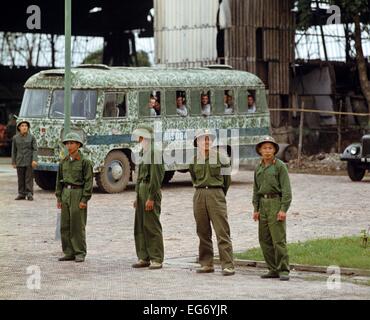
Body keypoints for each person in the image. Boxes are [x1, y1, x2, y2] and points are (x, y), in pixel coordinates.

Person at [189, 129, 235, 276]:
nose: (206, 142)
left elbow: (227, 181)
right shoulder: (194, 160)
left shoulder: (222, 158)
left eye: (209, 139)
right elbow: (194, 177)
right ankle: (206, 263)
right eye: (203, 139)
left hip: (216, 194)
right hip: (200, 194)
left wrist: (219, 194)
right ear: (197, 142)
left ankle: (228, 265)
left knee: (222, 231)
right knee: (202, 231)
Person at [252, 135, 292, 281]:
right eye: (264, 148)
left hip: (276, 203)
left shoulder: (280, 166)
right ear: (260, 151)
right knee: (264, 239)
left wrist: (283, 209)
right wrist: (256, 209)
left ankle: (283, 269)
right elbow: (256, 189)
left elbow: (287, 191)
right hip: (263, 204)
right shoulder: (259, 167)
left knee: (278, 239)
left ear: (275, 150)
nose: (267, 151)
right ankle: (272, 269)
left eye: (270, 148)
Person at [55, 132, 93, 263]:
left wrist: (84, 199)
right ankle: (68, 252)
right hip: (66, 193)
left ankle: (80, 252)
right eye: (67, 143)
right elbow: (59, 180)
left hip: (78, 193)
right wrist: (59, 198)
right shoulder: (64, 162)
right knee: (65, 225)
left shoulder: (85, 162)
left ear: (78, 145)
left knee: (77, 225)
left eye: (72, 143)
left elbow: (88, 182)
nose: (69, 146)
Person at [131, 125, 165, 270]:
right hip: (142, 190)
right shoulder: (143, 152)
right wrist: (137, 195)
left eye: (141, 136)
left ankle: (156, 258)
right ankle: (144, 256)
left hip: (150, 190)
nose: (139, 139)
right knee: (140, 225)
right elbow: (139, 176)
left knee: (152, 225)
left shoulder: (154, 152)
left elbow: (156, 177)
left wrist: (151, 197)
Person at [11, 120, 38, 201]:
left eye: (26, 126)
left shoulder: (32, 137)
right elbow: (14, 151)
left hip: (29, 161)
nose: (24, 127)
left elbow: (35, 149)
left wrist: (34, 160)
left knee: (29, 178)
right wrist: (13, 161)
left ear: (28, 128)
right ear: (19, 128)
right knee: (20, 178)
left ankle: (29, 193)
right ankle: (21, 194)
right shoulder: (15, 138)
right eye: (22, 126)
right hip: (19, 161)